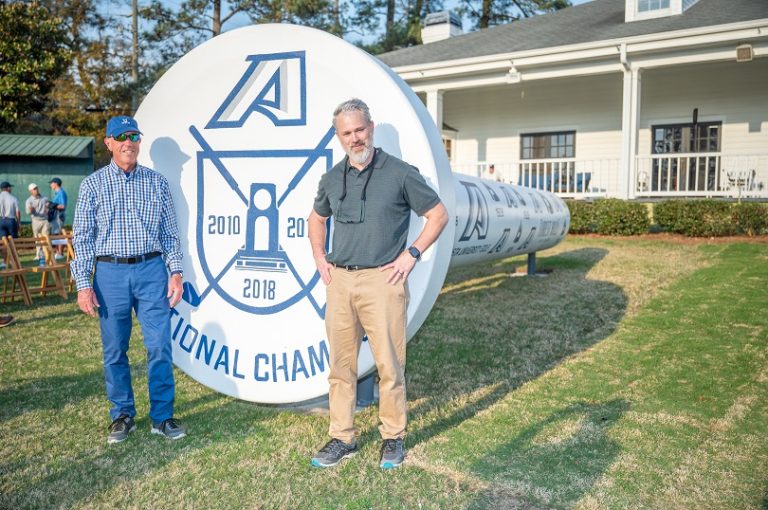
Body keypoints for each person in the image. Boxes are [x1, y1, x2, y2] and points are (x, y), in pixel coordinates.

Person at [308, 99, 448, 469]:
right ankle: (342, 437)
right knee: (341, 366)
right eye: (346, 133)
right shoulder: (331, 177)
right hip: (340, 281)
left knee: (389, 365)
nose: (355, 138)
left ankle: (393, 437)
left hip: (383, 281)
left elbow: (437, 215)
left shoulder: (400, 173)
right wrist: (320, 258)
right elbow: (316, 219)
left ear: (371, 127)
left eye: (359, 129)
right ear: (338, 137)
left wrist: (411, 254)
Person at [71, 115, 187, 445]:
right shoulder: (92, 185)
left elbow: (169, 234)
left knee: (160, 346)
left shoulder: (157, 182)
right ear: (108, 142)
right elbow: (82, 238)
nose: (129, 142)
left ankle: (162, 417)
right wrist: (83, 283)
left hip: (152, 272)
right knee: (114, 350)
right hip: (109, 275)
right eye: (121, 136)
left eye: (134, 135)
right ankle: (122, 415)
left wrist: (175, 272)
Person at [25, 183, 51, 264]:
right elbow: (28, 212)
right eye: (34, 189)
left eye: (36, 188)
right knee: (37, 239)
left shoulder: (45, 198)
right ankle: (38, 255)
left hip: (45, 221)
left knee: (45, 238)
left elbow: (48, 207)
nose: (36, 190)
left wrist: (47, 209)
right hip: (35, 221)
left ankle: (46, 254)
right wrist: (31, 209)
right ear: (31, 191)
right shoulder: (29, 200)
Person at [0, 181, 21, 270]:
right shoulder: (13, 198)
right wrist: (18, 222)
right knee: (13, 241)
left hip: (1, 220)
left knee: (3, 242)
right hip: (11, 220)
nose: (11, 189)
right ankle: (13, 261)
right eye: (10, 187)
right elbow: (17, 212)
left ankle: (5, 261)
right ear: (8, 188)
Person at [49, 177, 68, 259]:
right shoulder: (57, 193)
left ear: (56, 184)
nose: (50, 185)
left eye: (51, 183)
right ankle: (58, 252)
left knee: (58, 234)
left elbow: (63, 206)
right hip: (55, 215)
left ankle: (60, 253)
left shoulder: (61, 192)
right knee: (55, 233)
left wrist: (54, 205)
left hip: (59, 215)